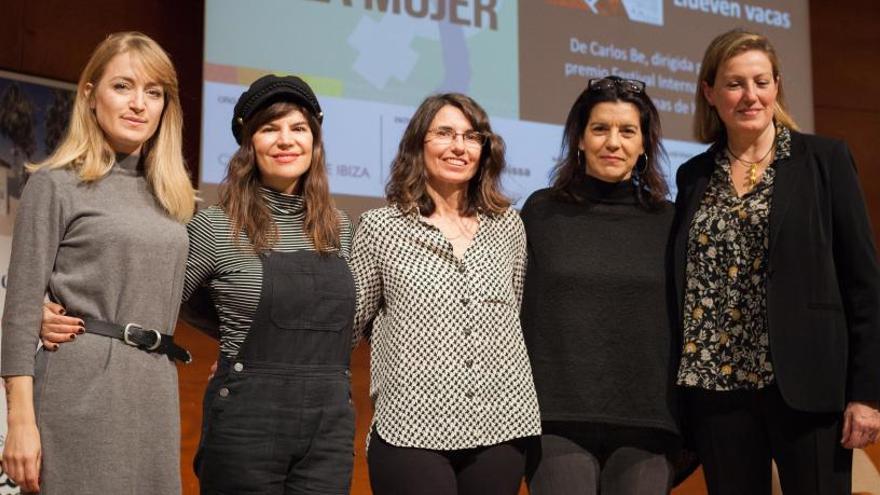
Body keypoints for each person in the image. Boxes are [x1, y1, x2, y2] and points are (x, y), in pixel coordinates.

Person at [37, 75, 357, 494]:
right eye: (269, 128)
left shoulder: (343, 230)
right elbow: (155, 300)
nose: (286, 140)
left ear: (315, 143)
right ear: (248, 145)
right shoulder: (215, 227)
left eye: (298, 129)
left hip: (329, 431)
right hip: (245, 427)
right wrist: (45, 309)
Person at [671, 29, 880, 494]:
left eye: (761, 82)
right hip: (716, 389)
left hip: (807, 385)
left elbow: (863, 284)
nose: (750, 96)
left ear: (777, 86)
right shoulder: (693, 176)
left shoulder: (824, 160)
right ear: (709, 92)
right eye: (734, 83)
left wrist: (866, 395)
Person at [1, 32, 196, 494]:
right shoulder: (55, 186)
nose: (139, 104)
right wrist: (20, 422)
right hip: (79, 387)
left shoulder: (176, 200)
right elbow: (21, 312)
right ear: (90, 96)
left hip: (153, 392)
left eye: (154, 93)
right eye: (123, 86)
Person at [349, 93, 541, 495]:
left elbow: (515, 314)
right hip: (411, 427)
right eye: (445, 133)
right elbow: (348, 324)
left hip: (501, 425)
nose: (459, 146)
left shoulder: (508, 226)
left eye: (472, 137)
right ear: (419, 144)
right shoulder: (380, 228)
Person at [520, 76, 680, 494]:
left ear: (644, 144)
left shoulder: (670, 221)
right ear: (580, 139)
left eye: (628, 131)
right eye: (600, 129)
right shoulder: (541, 212)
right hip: (554, 419)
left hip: (648, 423)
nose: (614, 142)